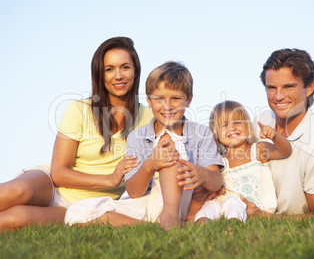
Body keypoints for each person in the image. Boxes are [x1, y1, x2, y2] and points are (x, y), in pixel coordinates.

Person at [0, 37, 153, 234]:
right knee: (17, 191)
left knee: (13, 219)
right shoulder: (78, 109)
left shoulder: (150, 118)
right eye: (109, 69)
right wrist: (111, 179)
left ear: (135, 71)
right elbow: (59, 172)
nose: (118, 76)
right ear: (100, 74)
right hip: (51, 184)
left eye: (125, 67)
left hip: (82, 208)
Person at [64, 61, 224, 229]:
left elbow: (216, 181)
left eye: (176, 98)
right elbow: (134, 192)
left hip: (185, 201)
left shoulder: (202, 133)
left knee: (169, 154)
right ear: (148, 100)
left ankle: (170, 216)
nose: (167, 106)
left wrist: (203, 174)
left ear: (188, 100)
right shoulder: (137, 137)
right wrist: (149, 165)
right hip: (148, 203)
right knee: (76, 213)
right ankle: (152, 226)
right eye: (159, 99)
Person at [241, 48, 314, 218]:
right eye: (271, 87)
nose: (278, 96)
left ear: (310, 87)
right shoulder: (262, 120)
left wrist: (264, 217)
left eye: (288, 87)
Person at [194, 101, 291, 223]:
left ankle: (235, 223)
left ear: (247, 125)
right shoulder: (220, 161)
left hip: (252, 208)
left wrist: (275, 136)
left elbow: (285, 151)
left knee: (233, 201)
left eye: (237, 122)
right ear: (216, 134)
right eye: (224, 125)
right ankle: (203, 222)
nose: (232, 128)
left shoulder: (258, 150)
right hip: (223, 205)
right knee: (210, 206)